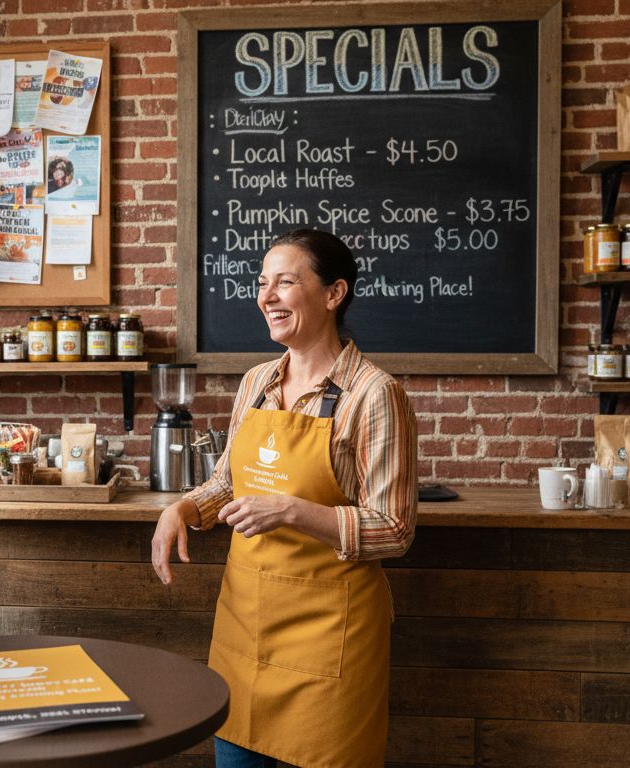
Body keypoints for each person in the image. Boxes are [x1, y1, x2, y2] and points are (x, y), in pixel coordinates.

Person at [151, 229, 418, 768]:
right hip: (245, 633)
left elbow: (394, 528)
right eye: (262, 283)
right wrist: (181, 508)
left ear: (334, 293)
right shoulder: (256, 383)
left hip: (329, 640)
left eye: (285, 282)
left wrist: (294, 510)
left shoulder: (375, 393)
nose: (266, 296)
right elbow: (229, 482)